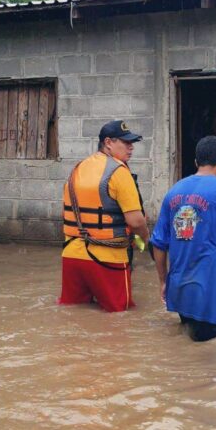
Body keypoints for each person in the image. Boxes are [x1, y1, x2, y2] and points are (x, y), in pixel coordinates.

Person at [151, 136, 216, 341]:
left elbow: (158, 243)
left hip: (180, 292)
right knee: (213, 357)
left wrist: (163, 281)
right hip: (212, 297)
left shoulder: (173, 191)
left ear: (196, 162)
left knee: (189, 343)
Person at [60, 120, 150, 312]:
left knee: (74, 314)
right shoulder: (118, 171)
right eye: (126, 142)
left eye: (132, 142)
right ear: (108, 142)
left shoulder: (78, 168)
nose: (131, 147)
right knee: (118, 318)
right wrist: (146, 237)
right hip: (107, 259)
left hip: (71, 256)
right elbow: (135, 221)